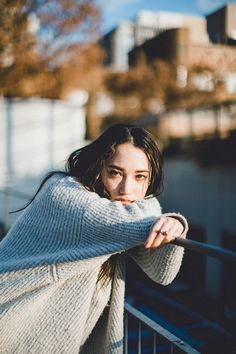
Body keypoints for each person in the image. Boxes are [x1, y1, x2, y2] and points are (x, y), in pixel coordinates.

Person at [0, 124, 188, 354]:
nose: (126, 189)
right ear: (98, 169)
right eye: (115, 173)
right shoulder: (67, 195)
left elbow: (162, 272)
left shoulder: (111, 214)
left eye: (140, 177)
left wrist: (170, 224)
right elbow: (132, 219)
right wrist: (173, 220)